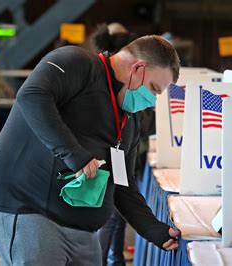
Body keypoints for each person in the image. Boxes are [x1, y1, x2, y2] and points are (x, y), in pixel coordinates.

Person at [0, 35, 180, 265]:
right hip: (29, 209)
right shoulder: (77, 63)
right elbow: (32, 95)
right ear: (138, 68)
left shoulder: (128, 122)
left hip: (82, 230)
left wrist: (154, 230)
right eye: (153, 89)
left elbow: (123, 183)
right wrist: (75, 154)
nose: (152, 100)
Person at [91, 23, 137, 266]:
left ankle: (114, 259)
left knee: (115, 218)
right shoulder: (112, 83)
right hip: (108, 158)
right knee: (110, 218)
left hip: (110, 157)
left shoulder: (102, 75)